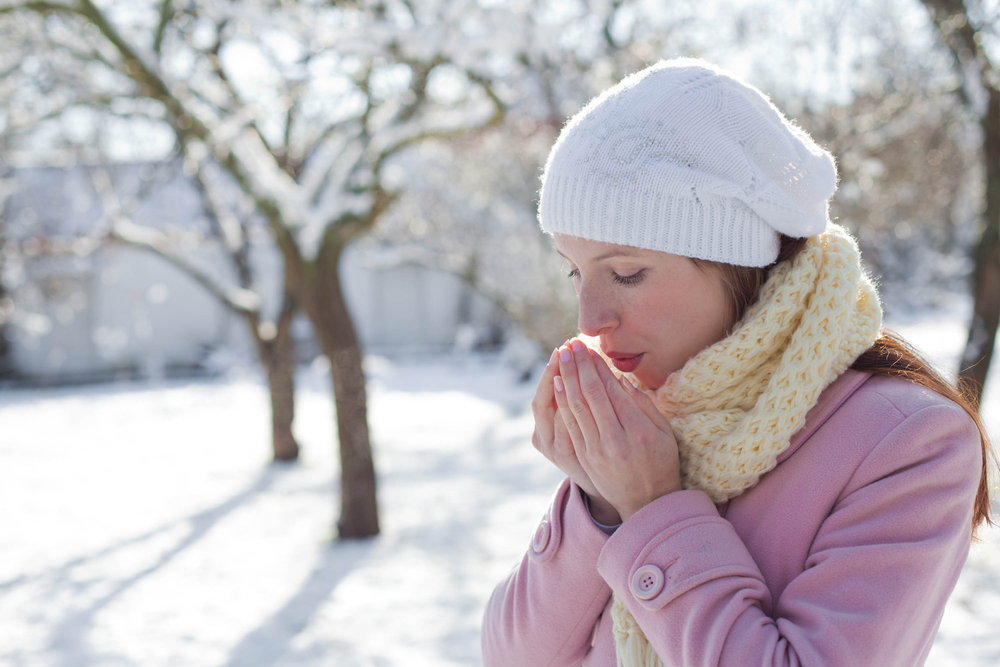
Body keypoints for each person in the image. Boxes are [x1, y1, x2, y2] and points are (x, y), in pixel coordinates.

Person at [481, 58, 995, 667]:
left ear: (736, 262)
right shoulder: (655, 408)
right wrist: (597, 501)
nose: (590, 319)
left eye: (626, 273)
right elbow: (514, 657)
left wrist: (651, 509)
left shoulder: (907, 442)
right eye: (575, 272)